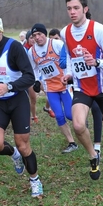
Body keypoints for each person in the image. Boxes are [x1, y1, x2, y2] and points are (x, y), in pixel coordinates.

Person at [60, 0, 103, 180]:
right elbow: (71, 58)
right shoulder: (65, 32)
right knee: (79, 125)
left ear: (85, 9)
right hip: (82, 88)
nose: (72, 12)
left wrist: (97, 62)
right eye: (69, 9)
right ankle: (93, 155)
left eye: (76, 8)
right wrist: (69, 74)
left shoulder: (98, 30)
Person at [0, 14, 43, 197]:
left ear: (0, 30)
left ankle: (35, 180)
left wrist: (8, 86)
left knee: (23, 146)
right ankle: (14, 155)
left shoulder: (14, 47)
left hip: (17, 101)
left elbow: (29, 76)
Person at [28, 23, 78, 153]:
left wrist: (69, 75)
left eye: (39, 34)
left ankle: (83, 126)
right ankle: (71, 142)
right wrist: (37, 81)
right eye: (34, 36)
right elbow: (34, 69)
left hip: (65, 85)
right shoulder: (31, 51)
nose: (37, 37)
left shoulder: (56, 44)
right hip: (50, 88)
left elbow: (68, 59)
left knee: (70, 115)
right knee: (59, 116)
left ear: (45, 33)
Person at [55, 26, 103, 155]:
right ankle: (86, 138)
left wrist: (92, 60)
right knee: (80, 118)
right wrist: (71, 67)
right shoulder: (68, 43)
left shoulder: (94, 38)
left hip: (95, 83)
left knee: (97, 110)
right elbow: (63, 62)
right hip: (79, 84)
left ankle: (97, 144)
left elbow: (102, 58)